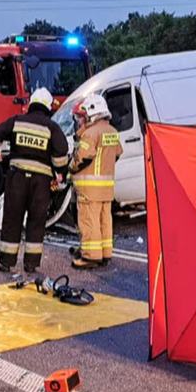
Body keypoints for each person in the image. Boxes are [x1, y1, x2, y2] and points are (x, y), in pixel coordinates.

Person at [0, 88, 69, 275]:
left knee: (12, 219)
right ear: (47, 106)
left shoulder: (17, 121)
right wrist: (60, 171)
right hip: (40, 183)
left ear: (31, 104)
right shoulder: (51, 127)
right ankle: (31, 264)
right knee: (36, 221)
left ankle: (6, 262)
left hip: (16, 180)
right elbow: (61, 153)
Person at [68, 94, 123, 269]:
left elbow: (81, 158)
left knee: (88, 220)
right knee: (104, 220)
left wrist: (69, 168)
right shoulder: (112, 132)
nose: (79, 120)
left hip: (89, 188)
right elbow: (117, 153)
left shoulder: (91, 134)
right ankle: (105, 253)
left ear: (92, 112)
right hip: (106, 188)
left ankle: (90, 256)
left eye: (81, 116)